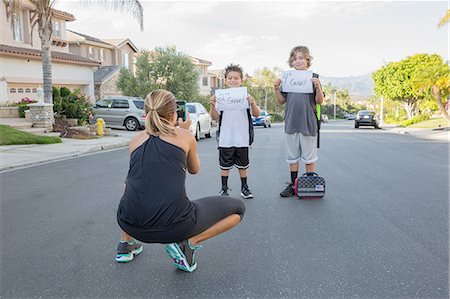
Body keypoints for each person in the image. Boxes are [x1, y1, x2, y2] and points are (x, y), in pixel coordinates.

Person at [115, 89, 245, 273]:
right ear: (174, 114)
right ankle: (189, 245)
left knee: (131, 181)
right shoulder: (185, 136)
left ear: (146, 112)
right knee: (238, 209)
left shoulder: (135, 140)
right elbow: (194, 169)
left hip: (128, 222)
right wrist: (184, 132)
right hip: (174, 227)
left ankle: (125, 244)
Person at [274, 46, 324, 197]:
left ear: (307, 60)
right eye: (295, 58)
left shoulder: (313, 77)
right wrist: (276, 88)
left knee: (309, 157)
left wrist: (318, 86)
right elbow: (282, 101)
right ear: (291, 61)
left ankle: (309, 184)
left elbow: (319, 100)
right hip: (291, 122)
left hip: (308, 122)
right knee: (292, 157)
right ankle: (293, 185)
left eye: (301, 58)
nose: (298, 61)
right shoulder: (288, 78)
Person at [210, 64, 260, 199]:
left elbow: (256, 114)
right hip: (226, 138)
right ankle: (224, 188)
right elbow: (214, 117)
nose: (233, 80)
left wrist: (253, 103)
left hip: (242, 138)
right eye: (230, 78)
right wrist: (212, 105)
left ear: (241, 80)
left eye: (236, 78)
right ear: (225, 80)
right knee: (224, 166)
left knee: (243, 166)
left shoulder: (246, 96)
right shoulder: (221, 97)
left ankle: (245, 188)